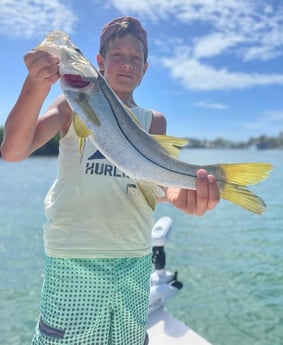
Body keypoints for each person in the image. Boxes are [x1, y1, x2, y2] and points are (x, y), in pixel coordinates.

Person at [1, 16, 220, 345]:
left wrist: (181, 194)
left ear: (145, 69)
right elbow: (14, 151)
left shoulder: (154, 121)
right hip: (73, 256)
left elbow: (157, 183)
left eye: (135, 58)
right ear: (99, 63)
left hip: (134, 255)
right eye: (118, 54)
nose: (127, 64)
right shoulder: (70, 105)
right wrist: (34, 87)